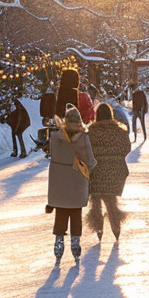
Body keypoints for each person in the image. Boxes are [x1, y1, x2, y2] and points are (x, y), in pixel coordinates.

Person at [47, 106, 97, 264]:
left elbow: (50, 153)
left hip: (59, 182)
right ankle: (75, 243)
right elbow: (90, 161)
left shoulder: (55, 137)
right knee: (76, 213)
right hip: (77, 183)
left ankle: (59, 242)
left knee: (61, 212)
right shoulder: (83, 138)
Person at [86, 103, 131, 242]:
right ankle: (116, 228)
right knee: (111, 200)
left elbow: (85, 151)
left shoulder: (90, 132)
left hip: (95, 172)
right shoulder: (120, 131)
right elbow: (127, 148)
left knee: (96, 201)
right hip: (116, 172)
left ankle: (98, 229)